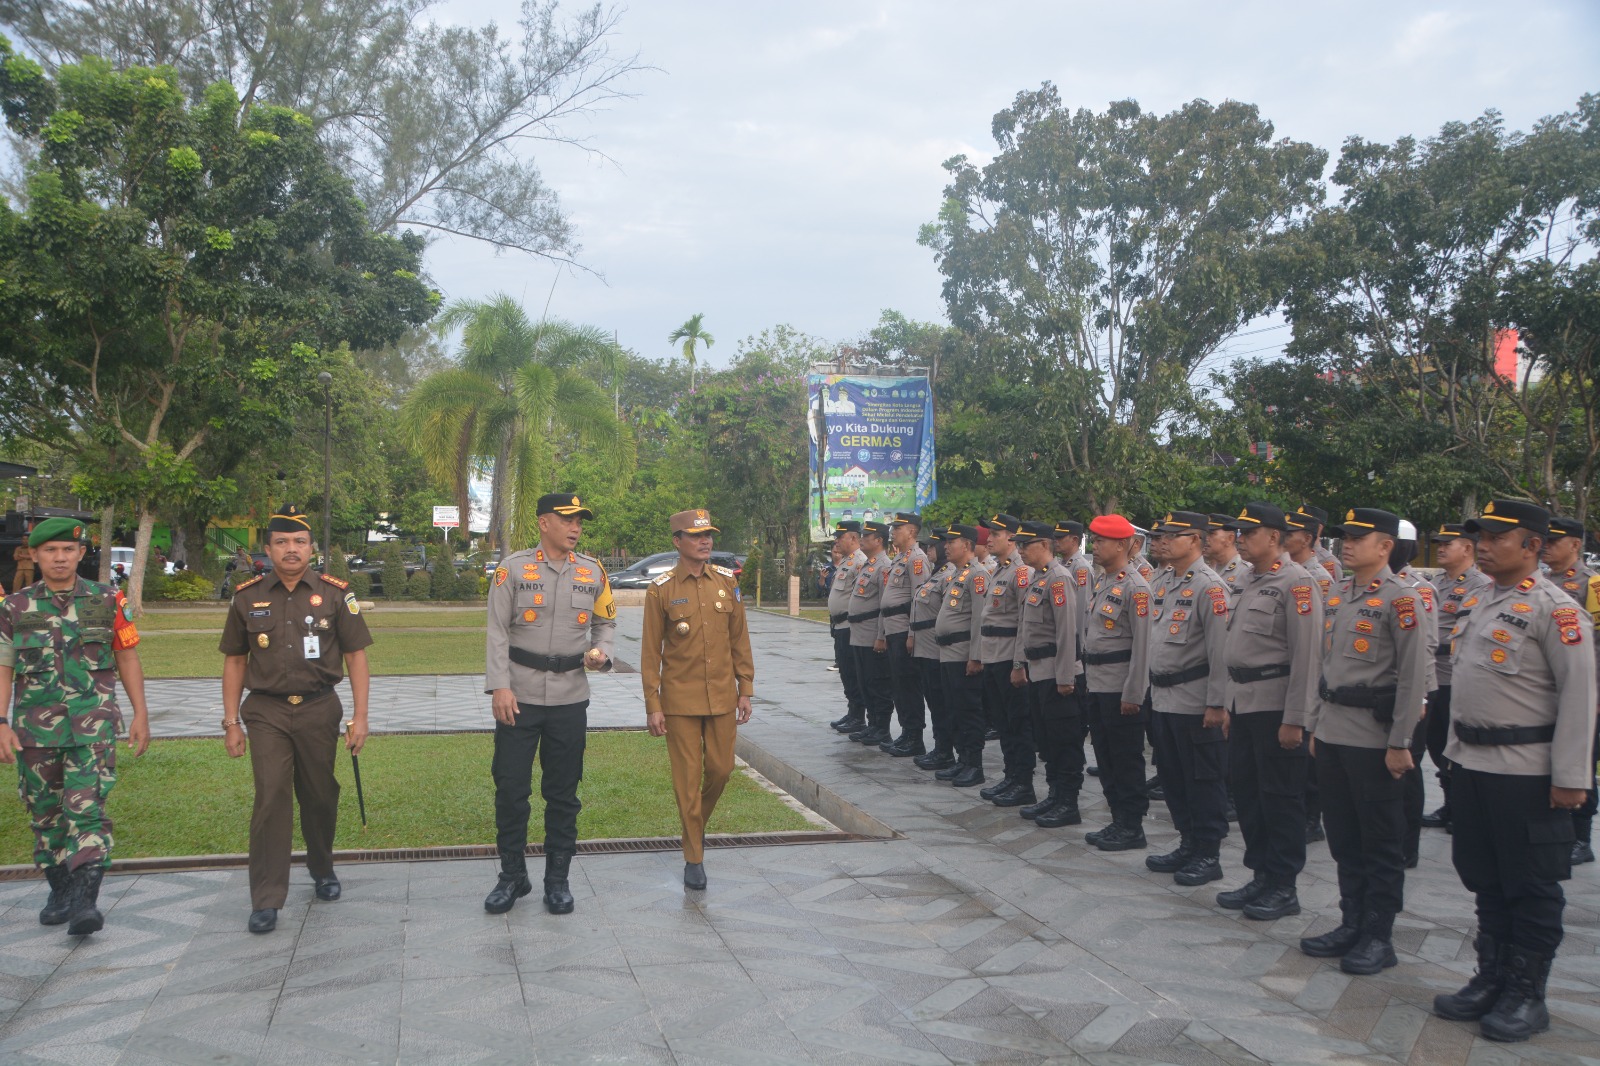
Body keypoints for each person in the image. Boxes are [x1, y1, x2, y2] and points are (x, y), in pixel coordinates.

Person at [1433, 500, 1596, 1043]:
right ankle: (1492, 976)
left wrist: (1573, 775)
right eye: (1481, 535)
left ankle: (1528, 993)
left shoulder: (1558, 608)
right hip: (1476, 763)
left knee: (1530, 885)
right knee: (1486, 879)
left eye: (1498, 537)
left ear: (1532, 546)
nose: (1484, 544)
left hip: (1527, 770)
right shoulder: (1482, 598)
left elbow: (1580, 694)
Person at [219, 504, 371, 934]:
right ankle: (266, 896)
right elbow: (234, 661)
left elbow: (356, 657)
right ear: (267, 548)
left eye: (299, 542)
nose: (291, 549)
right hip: (266, 711)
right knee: (271, 796)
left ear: (312, 548)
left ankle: (322, 866)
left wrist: (360, 717)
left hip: (320, 707)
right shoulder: (247, 597)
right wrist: (231, 722)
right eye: (282, 542)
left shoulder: (337, 594)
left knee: (320, 793)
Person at [0, 518, 150, 935]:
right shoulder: (14, 607)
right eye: (50, 551)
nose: (60, 557)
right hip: (35, 733)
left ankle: (86, 901)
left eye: (68, 550)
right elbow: (4, 668)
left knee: (86, 811)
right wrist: (0, 723)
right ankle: (60, 889)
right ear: (34, 555)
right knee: (45, 815)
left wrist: (141, 713)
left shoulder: (108, 599)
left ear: (81, 553)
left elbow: (127, 657)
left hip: (93, 728)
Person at [1300, 508, 1429, 975]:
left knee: (1379, 839)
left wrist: (1402, 742)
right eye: (1343, 537)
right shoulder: (1339, 592)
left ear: (1386, 546)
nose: (1346, 544)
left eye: (1358, 537)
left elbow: (1415, 679)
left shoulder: (1403, 599)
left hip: (1374, 739)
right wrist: (1314, 725)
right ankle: (1351, 922)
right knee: (1344, 837)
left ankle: (1378, 934)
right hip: (1334, 731)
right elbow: (1324, 668)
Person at [483, 493, 615, 916]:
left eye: (579, 521)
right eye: (567, 519)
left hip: (569, 698)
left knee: (563, 793)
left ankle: (557, 880)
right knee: (511, 789)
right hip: (518, 696)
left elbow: (605, 622)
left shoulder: (593, 571)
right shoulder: (514, 569)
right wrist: (499, 686)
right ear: (544, 523)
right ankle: (512, 876)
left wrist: (602, 653)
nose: (575, 527)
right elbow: (497, 630)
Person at [640, 509, 755, 890]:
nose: (705, 541)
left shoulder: (726, 583)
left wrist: (746, 689)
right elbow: (649, 652)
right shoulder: (662, 588)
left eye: (708, 535)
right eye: (696, 536)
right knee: (687, 782)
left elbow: (740, 640)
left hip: (723, 696)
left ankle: (693, 828)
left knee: (722, 771)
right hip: (680, 702)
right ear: (677, 542)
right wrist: (653, 705)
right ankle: (694, 856)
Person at [1216, 502, 1320, 920]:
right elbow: (1233, 648)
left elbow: (1308, 657)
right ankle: (1260, 874)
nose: (1240, 538)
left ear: (1274, 537)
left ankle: (1284, 885)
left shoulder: (1298, 583)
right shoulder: (1245, 578)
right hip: (1243, 703)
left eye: (1249, 532)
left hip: (1277, 708)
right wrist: (1227, 705)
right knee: (1250, 795)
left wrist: (1296, 718)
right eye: (1239, 531)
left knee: (1280, 798)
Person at [1143, 512, 1232, 886]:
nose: (1162, 541)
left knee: (1202, 779)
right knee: (1173, 777)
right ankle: (1188, 843)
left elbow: (1221, 651)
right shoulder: (1163, 579)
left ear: (1195, 540)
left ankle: (1208, 854)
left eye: (1171, 536)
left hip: (1194, 701)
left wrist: (1217, 703)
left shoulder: (1210, 587)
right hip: (1163, 697)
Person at [1080, 514, 1153, 851]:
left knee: (1125, 758)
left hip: (1120, 687)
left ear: (1122, 544)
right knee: (1106, 757)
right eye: (1094, 540)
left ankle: (1132, 825)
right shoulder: (1104, 581)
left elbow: (1143, 646)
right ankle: (1117, 819)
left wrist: (1134, 693)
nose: (1095, 546)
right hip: (1098, 683)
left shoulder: (1136, 586)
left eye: (1102, 541)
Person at [1419, 524, 1492, 835]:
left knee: (1451, 745)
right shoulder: (1436, 582)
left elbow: (1466, 636)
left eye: (1449, 543)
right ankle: (1450, 803)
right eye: (1439, 543)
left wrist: (1426, 645)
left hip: (1452, 677)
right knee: (1435, 744)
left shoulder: (1479, 584)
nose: (1441, 547)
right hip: (1430, 676)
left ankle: (1459, 807)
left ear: (1468, 548)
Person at [1538, 516, 1599, 866]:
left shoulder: (1592, 583)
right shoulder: (1544, 581)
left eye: (1555, 540)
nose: (1547, 545)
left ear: (1575, 545)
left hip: (1583, 689)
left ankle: (1581, 837)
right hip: (1550, 691)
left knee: (1582, 762)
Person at [1014, 521, 1082, 827]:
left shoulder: (1059, 579)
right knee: (1048, 739)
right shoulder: (1038, 579)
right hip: (1039, 671)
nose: (1021, 551)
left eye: (1025, 545)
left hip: (1057, 673)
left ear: (1043, 545)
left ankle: (1068, 803)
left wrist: (1066, 676)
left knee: (1064, 741)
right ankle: (1054, 795)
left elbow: (1068, 631)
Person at [976, 514, 1036, 808]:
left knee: (1017, 723)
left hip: (1009, 657)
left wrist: (1018, 663)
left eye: (995, 534)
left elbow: (1026, 621)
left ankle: (1023, 782)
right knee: (1002, 722)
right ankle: (1011, 776)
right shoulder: (1000, 570)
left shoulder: (1021, 572)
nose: (988, 538)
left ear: (1012, 537)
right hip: (993, 655)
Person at [932, 524, 987, 787]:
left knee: (968, 711)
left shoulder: (977, 575)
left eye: (951, 541)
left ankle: (974, 765)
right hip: (947, 653)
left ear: (966, 545)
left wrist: (975, 656)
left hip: (963, 652)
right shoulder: (957, 574)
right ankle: (961, 760)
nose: (946, 545)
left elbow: (978, 619)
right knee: (953, 709)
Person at [879, 513, 931, 756]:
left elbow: (919, 600)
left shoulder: (917, 559)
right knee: (898, 685)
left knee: (908, 685)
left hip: (904, 630)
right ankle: (906, 733)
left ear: (911, 531)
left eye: (897, 528)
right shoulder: (899, 558)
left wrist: (913, 634)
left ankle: (915, 737)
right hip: (892, 629)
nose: (893, 532)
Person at [909, 530, 957, 771]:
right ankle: (940, 748)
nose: (928, 551)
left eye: (931, 547)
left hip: (937, 648)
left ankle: (945, 751)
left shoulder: (949, 575)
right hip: (924, 645)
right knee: (933, 699)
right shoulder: (936, 574)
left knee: (941, 702)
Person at [846, 520, 895, 747]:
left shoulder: (884, 566)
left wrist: (881, 636)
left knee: (877, 683)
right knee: (864, 682)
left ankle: (882, 728)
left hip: (872, 634)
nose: (862, 539)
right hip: (858, 633)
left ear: (879, 540)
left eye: (868, 536)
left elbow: (885, 605)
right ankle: (872, 724)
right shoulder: (868, 565)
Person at [826, 522, 869, 735]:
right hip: (839, 625)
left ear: (852, 538)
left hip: (850, 626)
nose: (837, 541)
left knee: (853, 672)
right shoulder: (846, 562)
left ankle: (858, 716)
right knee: (845, 671)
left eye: (840, 537)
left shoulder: (860, 562)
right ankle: (852, 712)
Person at [1205, 515, 1252, 604]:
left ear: (1230, 538)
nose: (1206, 538)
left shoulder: (1245, 571)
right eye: (1206, 534)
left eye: (1211, 533)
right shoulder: (1206, 570)